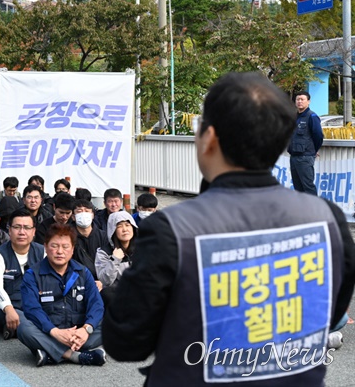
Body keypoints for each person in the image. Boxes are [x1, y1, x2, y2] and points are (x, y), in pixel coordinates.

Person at [102, 72, 355, 385]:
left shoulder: (171, 229)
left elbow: (125, 341)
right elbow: (330, 316)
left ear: (209, 139)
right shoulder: (328, 219)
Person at [18, 223, 106, 367]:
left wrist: (86, 329)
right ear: (45, 247)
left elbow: (96, 304)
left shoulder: (83, 272)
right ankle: (73, 355)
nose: (60, 251)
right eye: (54, 246)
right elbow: (32, 309)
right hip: (50, 331)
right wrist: (55, 332)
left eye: (65, 247)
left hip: (79, 331)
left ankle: (49, 352)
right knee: (24, 327)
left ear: (72, 250)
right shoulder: (32, 275)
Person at [0, 208, 44, 339]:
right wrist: (8, 308)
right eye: (17, 227)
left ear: (34, 231)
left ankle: (18, 328)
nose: (22, 232)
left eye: (27, 228)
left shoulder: (43, 252)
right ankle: (30, 327)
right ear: (10, 230)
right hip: (11, 305)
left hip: (36, 304)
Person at [94, 211, 137, 306]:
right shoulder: (103, 252)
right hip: (118, 294)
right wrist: (115, 260)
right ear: (112, 230)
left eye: (127, 225)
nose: (125, 229)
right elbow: (105, 281)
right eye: (119, 226)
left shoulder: (142, 248)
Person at [287, 91, 324, 196]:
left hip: (305, 157)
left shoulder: (312, 116)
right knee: (298, 188)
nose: (299, 102)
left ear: (308, 102)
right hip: (294, 157)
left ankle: (314, 211)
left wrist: (313, 150)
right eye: (297, 99)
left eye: (302, 99)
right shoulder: (294, 117)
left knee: (308, 186)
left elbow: (318, 136)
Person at [71, 199, 107, 290]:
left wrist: (102, 281)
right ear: (73, 217)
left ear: (92, 215)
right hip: (75, 282)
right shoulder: (68, 237)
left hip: (101, 282)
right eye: (79, 211)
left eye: (87, 211)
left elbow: (108, 261)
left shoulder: (103, 236)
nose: (83, 214)